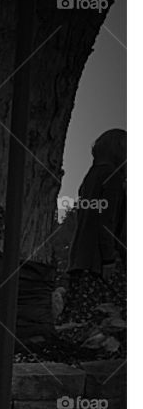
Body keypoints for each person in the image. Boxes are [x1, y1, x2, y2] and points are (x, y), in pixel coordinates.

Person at [61, 128, 126, 323]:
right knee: (113, 317)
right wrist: (109, 259)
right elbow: (105, 220)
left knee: (78, 317)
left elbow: (88, 216)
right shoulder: (112, 177)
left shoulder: (91, 176)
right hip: (99, 262)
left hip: (81, 257)